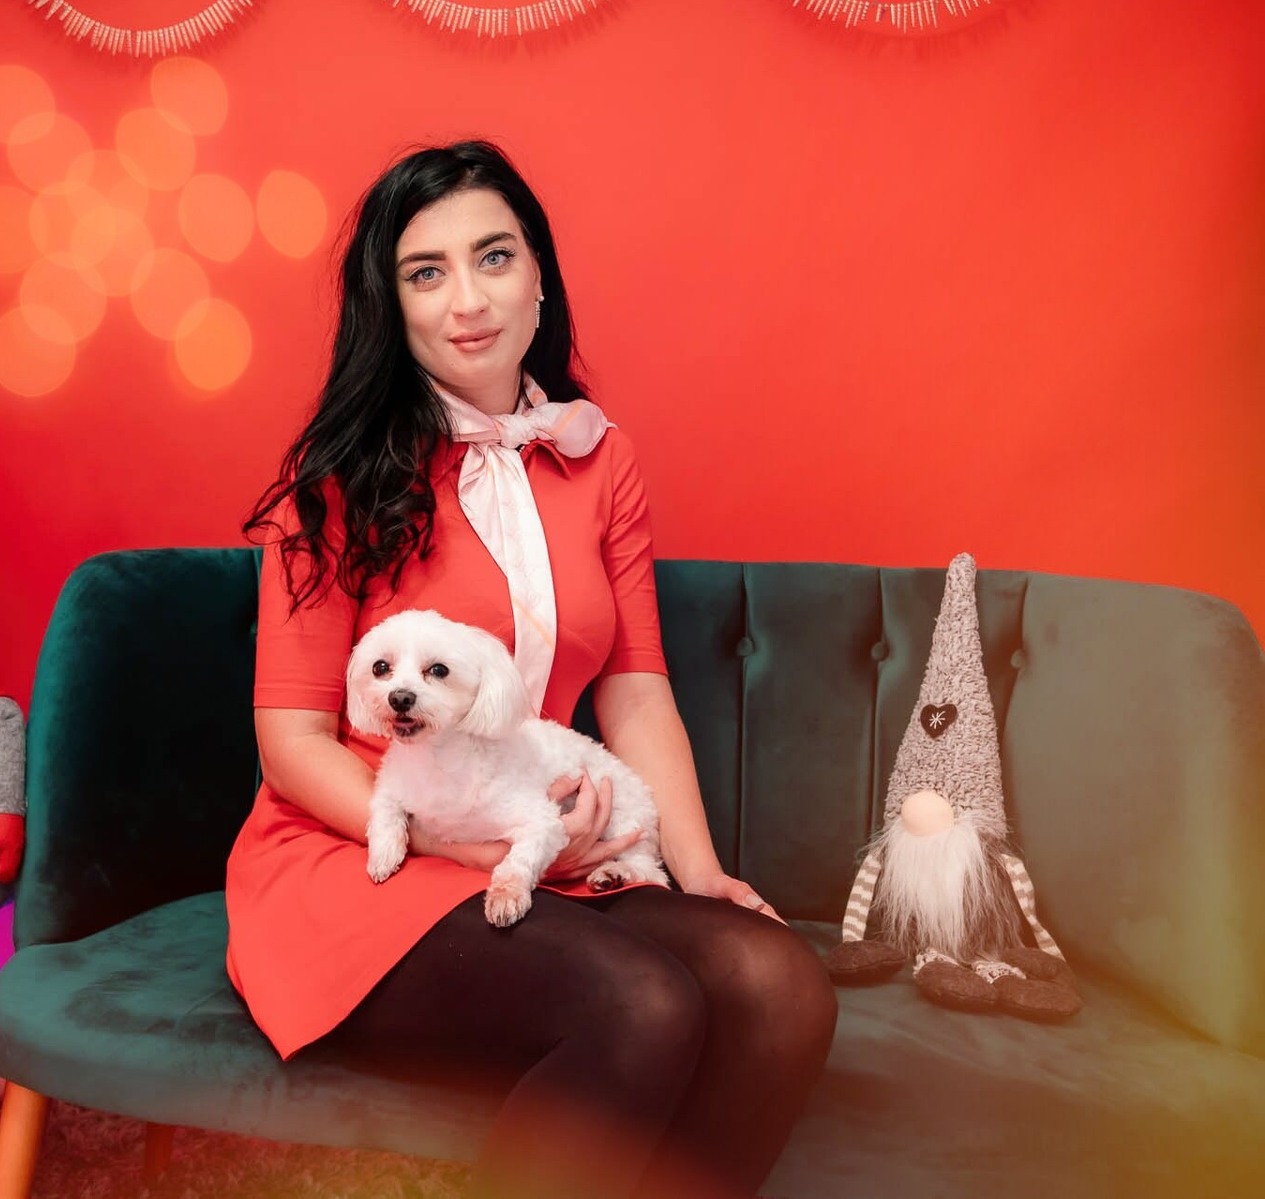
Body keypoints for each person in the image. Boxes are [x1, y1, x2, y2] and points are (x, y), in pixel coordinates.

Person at [227, 140, 839, 1199]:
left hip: (540, 840)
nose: (468, 300)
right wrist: (455, 840)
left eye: (495, 257)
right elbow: (290, 745)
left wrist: (700, 873)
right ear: (390, 305)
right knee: (645, 1004)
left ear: (539, 278)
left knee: (778, 985)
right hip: (363, 853)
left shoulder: (601, 458)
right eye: (427, 272)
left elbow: (635, 690)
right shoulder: (332, 479)